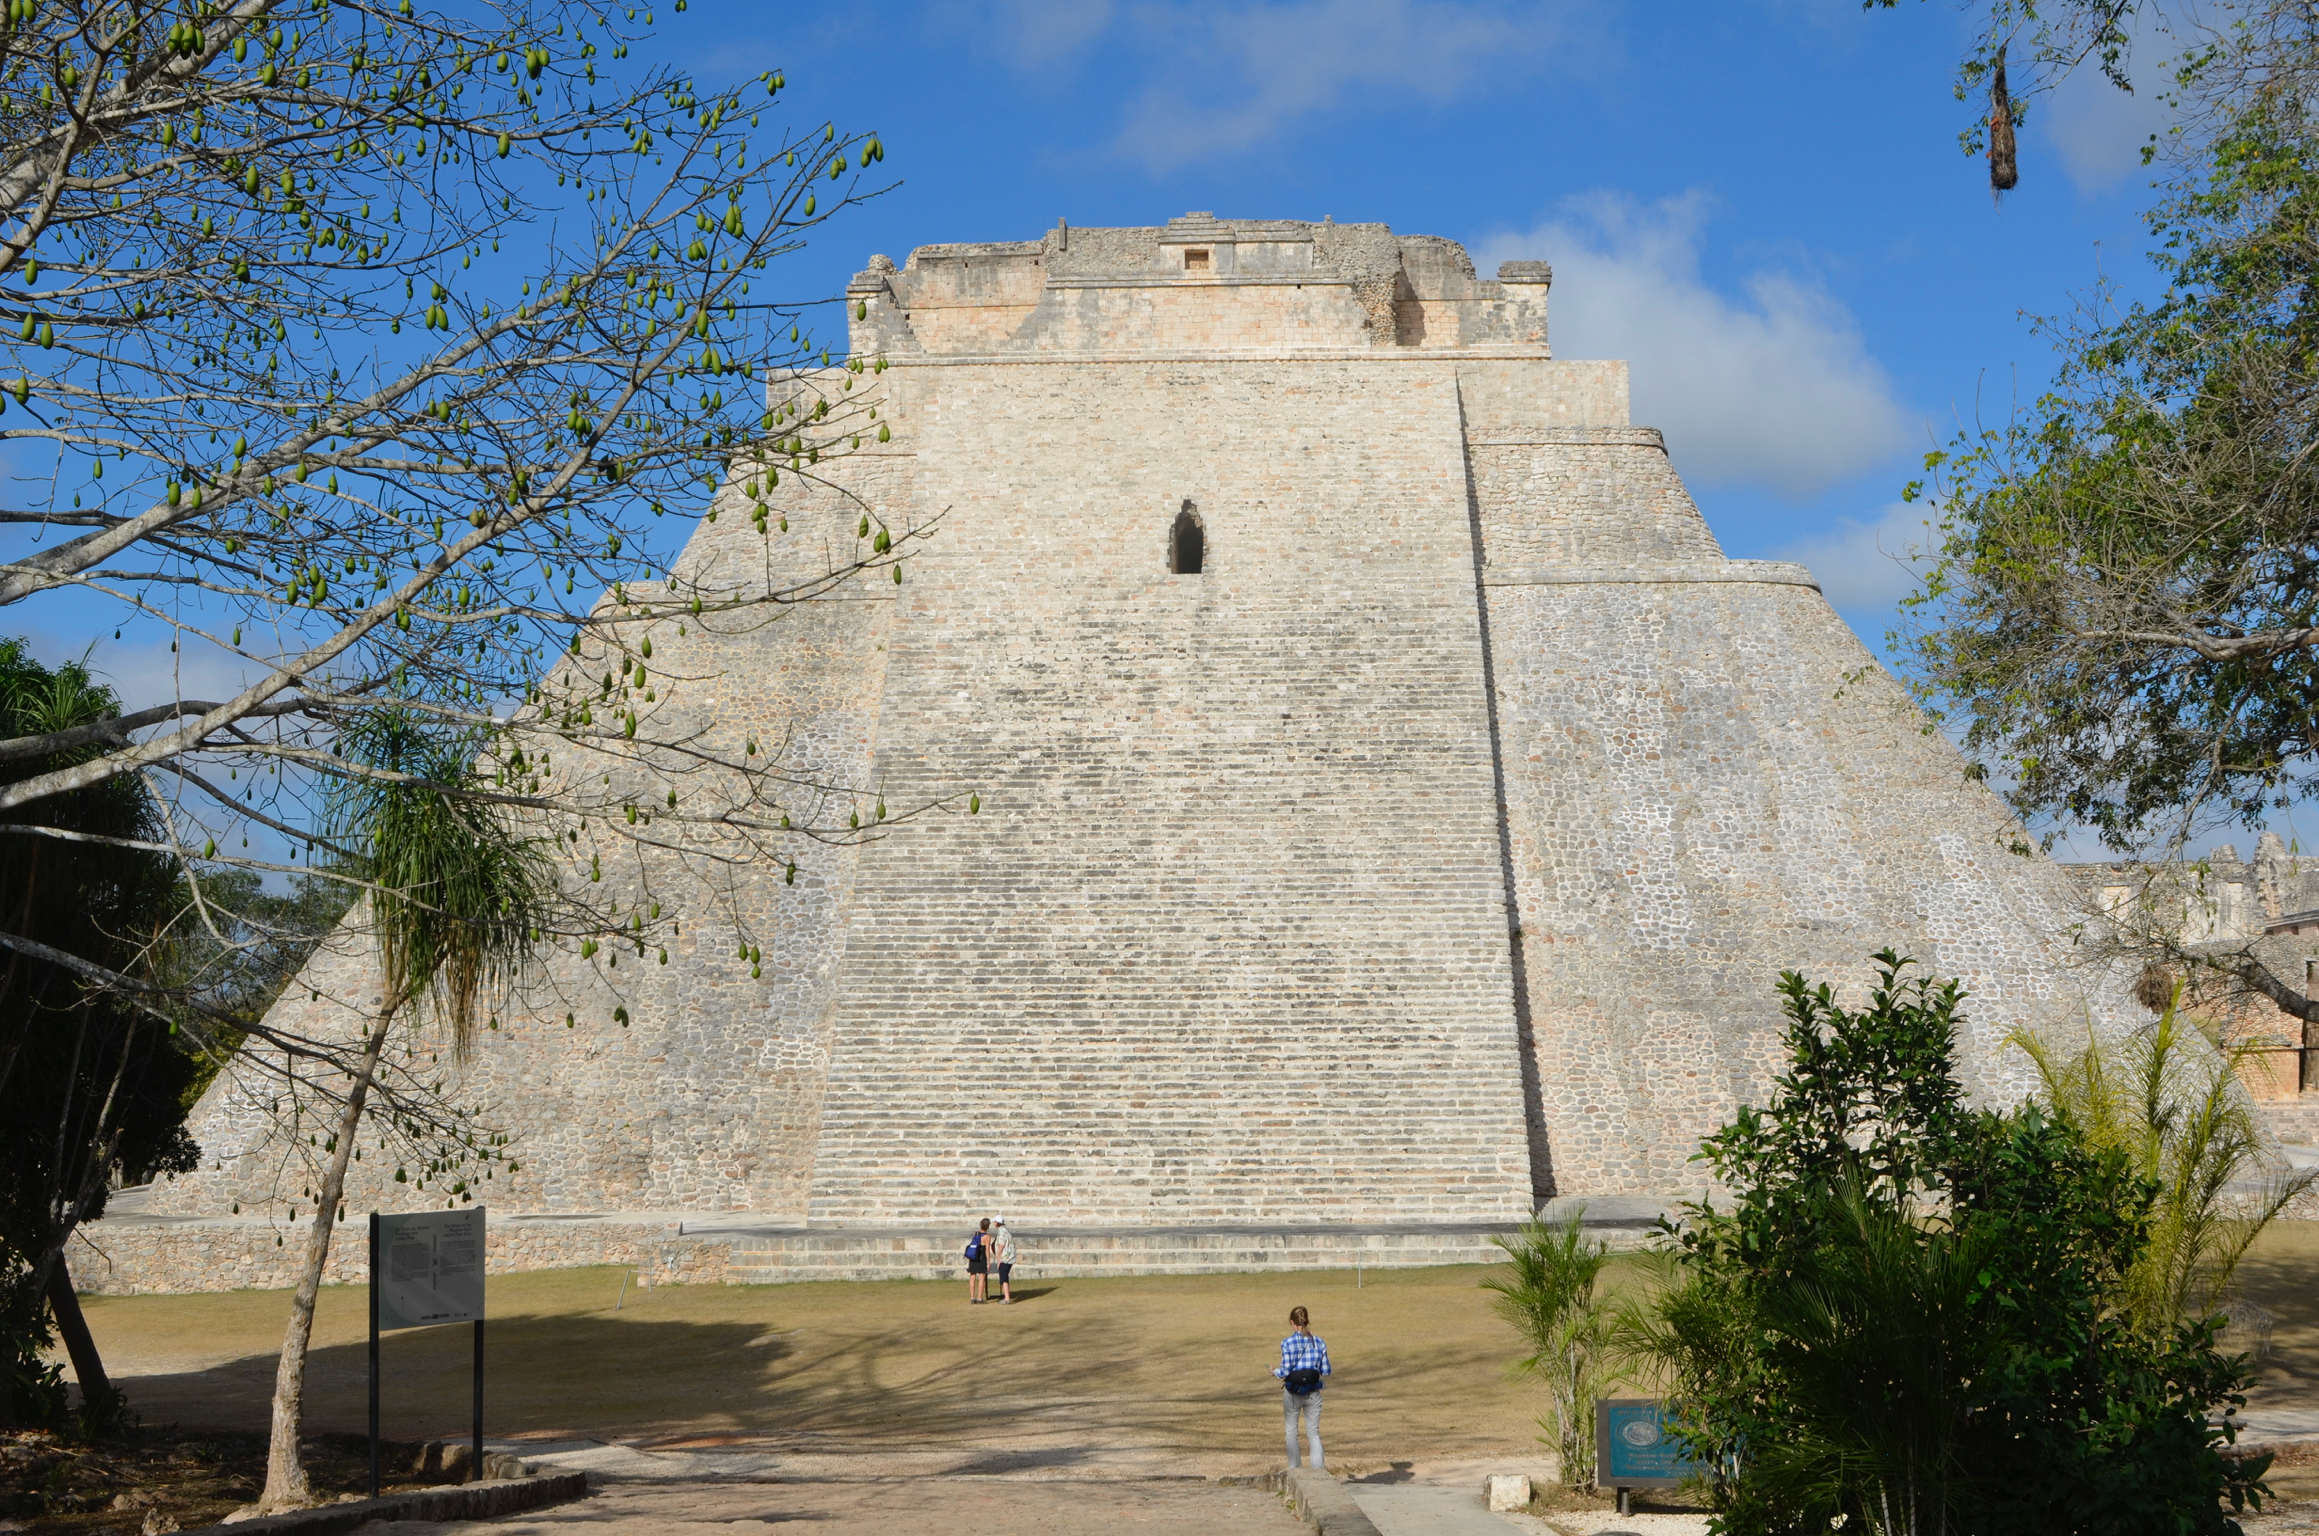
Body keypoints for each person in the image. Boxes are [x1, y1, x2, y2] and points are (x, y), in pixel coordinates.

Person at [1273, 1304, 1329, 1469]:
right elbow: (1326, 1371)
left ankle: (1295, 1467)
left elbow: (1285, 1370)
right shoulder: (1319, 1342)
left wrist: (1273, 1372)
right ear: (1307, 1321)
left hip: (1293, 1393)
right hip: (1313, 1393)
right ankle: (1318, 1470)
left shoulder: (1287, 1343)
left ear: (1292, 1322)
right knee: (1313, 1433)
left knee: (1291, 1431)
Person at [990, 1216, 1017, 1303]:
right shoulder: (1006, 1230)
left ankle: (1007, 1299)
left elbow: (1000, 1246)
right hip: (1010, 1257)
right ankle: (1006, 1296)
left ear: (997, 1223)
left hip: (1005, 1258)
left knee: (1004, 1278)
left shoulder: (1001, 1232)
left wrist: (998, 1259)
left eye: (995, 1222)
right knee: (1005, 1277)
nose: (994, 1223)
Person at [964, 1217, 990, 1304]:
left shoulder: (975, 1234)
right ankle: (979, 1298)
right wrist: (989, 1262)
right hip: (981, 1258)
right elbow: (987, 1250)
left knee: (972, 1277)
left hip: (973, 1257)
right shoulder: (987, 1237)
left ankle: (972, 1297)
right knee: (981, 1278)